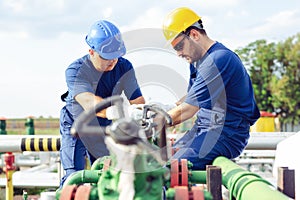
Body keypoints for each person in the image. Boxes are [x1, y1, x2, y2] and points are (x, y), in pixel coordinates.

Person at [162, 7, 260, 169]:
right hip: (203, 128)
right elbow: (191, 98)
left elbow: (189, 109)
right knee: (161, 159)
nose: (178, 54)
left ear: (194, 34)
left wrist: (159, 120)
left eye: (179, 47)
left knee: (169, 168)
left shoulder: (219, 59)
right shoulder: (197, 61)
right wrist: (162, 108)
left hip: (226, 133)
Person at [59, 19, 145, 188]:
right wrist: (117, 111)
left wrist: (143, 112)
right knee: (73, 178)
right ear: (91, 51)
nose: (112, 61)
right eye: (106, 57)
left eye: (116, 56)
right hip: (77, 126)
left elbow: (137, 101)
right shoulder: (76, 70)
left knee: (108, 174)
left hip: (104, 127)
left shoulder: (124, 67)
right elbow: (88, 101)